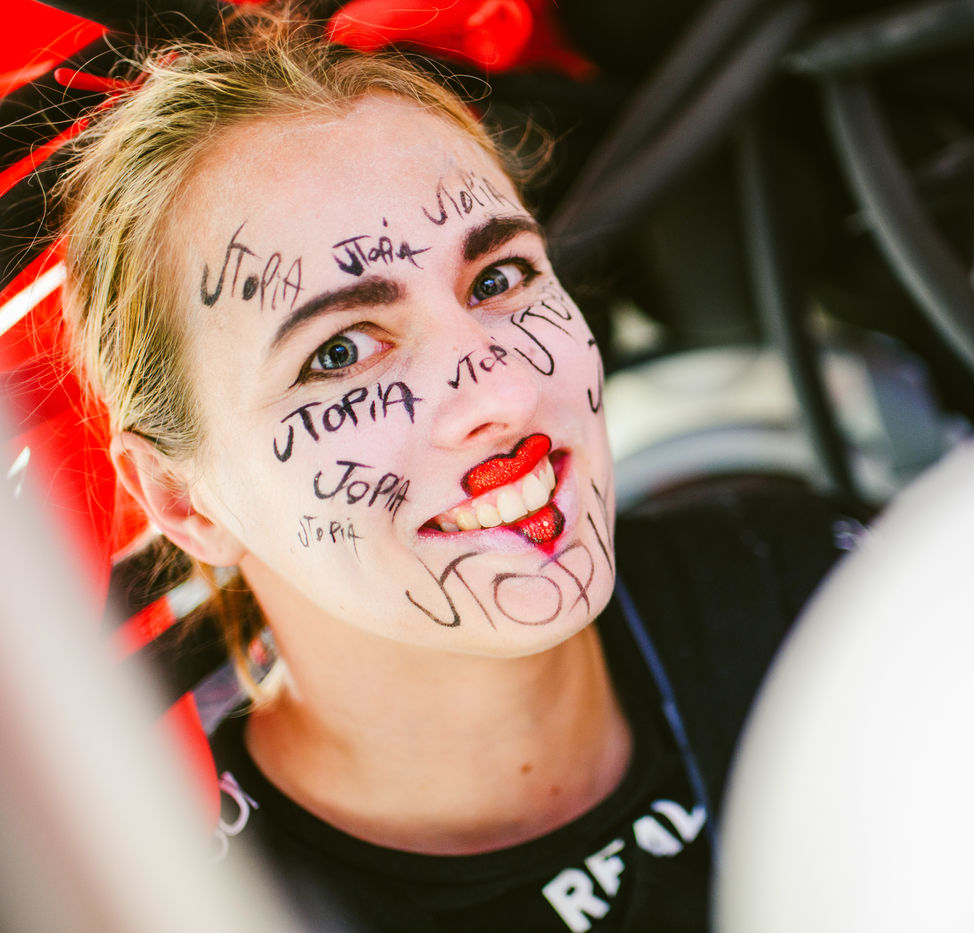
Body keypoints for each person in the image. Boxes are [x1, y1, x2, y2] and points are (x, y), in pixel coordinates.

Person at [58, 7, 860, 930]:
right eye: (341, 352)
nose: (503, 393)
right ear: (181, 500)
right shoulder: (179, 906)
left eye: (498, 279)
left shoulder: (817, 594)